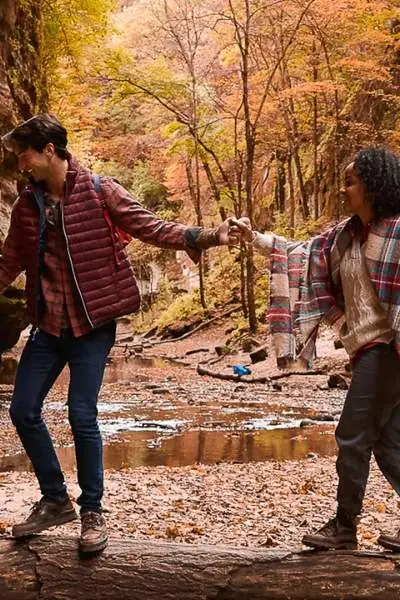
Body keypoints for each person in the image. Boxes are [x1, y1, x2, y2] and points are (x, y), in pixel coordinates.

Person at [0, 113, 240, 553]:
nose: (21, 165)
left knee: (81, 413)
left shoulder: (98, 190)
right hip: (48, 324)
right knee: (22, 410)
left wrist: (208, 236)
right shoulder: (25, 206)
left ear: (50, 150)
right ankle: (55, 500)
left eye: (25, 155)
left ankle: (92, 511)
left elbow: (149, 225)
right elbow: (8, 261)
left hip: (93, 324)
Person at [233, 147, 400, 551]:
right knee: (389, 440)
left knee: (352, 436)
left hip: (388, 348)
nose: (344, 190)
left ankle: (344, 529)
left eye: (350, 182)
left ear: (373, 186)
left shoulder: (397, 232)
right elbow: (298, 253)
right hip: (365, 349)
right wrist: (252, 238)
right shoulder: (345, 236)